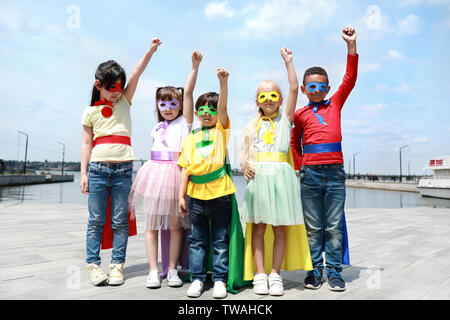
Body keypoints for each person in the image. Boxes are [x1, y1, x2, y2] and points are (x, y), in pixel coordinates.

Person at [80, 38, 162, 286]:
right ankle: (93, 265)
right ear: (98, 85)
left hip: (123, 170)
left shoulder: (125, 101)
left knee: (119, 220)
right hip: (96, 170)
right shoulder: (90, 112)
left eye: (119, 87)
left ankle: (117, 266)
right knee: (95, 220)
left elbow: (137, 73)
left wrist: (150, 50)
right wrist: (83, 173)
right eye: (111, 87)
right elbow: (86, 143)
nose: (116, 91)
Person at [239, 47, 312, 296]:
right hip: (259, 177)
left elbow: (293, 87)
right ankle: (260, 274)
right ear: (256, 101)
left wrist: (289, 61)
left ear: (280, 100)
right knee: (259, 227)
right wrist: (244, 166)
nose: (268, 99)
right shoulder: (251, 125)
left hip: (281, 176)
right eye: (262, 96)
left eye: (273, 95)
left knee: (280, 228)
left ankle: (275, 274)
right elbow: (244, 153)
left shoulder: (286, 120)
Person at [290, 27, 358, 292]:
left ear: (327, 88)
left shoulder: (336, 103)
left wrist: (351, 46)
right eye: (312, 86)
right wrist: (300, 168)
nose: (317, 90)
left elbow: (350, 78)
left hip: (335, 173)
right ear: (305, 89)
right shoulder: (299, 114)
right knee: (313, 227)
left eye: (321, 86)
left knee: (333, 226)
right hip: (310, 174)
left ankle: (334, 272)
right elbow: (295, 144)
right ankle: (314, 270)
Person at [128, 51, 202, 289]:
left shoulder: (185, 124)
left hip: (175, 175)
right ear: (157, 106)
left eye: (173, 103)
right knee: (151, 225)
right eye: (163, 103)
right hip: (153, 176)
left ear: (180, 105)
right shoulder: (157, 126)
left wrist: (193, 67)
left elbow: (189, 93)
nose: (168, 108)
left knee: (174, 225)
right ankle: (153, 269)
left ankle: (172, 269)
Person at [177, 66, 237, 299]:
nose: (206, 113)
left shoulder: (222, 131)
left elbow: (223, 108)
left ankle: (220, 279)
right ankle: (198, 279)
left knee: (220, 241)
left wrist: (223, 83)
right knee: (197, 241)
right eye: (201, 109)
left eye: (211, 109)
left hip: (220, 194)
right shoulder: (191, 137)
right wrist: (181, 196)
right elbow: (185, 170)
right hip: (195, 197)